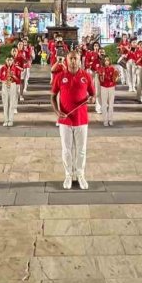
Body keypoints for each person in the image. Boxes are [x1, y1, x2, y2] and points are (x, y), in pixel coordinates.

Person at [50, 51, 95, 190]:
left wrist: (92, 99)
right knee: (66, 150)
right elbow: (53, 96)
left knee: (81, 150)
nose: (74, 61)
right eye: (71, 58)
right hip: (65, 120)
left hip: (81, 120)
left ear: (80, 60)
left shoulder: (86, 76)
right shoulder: (60, 76)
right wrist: (57, 111)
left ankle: (80, 174)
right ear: (67, 60)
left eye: (76, 58)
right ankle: (68, 175)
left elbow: (93, 95)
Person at [0, 55, 22, 127]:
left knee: (11, 104)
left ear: (13, 61)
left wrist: (13, 76)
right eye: (8, 60)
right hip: (4, 85)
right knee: (5, 104)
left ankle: (11, 120)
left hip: (12, 85)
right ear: (5, 61)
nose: (9, 61)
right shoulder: (2, 68)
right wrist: (2, 81)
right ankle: (5, 120)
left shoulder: (16, 68)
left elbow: (18, 80)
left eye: (10, 60)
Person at [97, 55, 118, 126]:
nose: (106, 62)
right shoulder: (101, 69)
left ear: (109, 61)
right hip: (104, 87)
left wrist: (116, 77)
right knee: (104, 104)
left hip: (111, 87)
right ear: (103, 61)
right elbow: (100, 80)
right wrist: (101, 75)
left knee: (111, 104)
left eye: (108, 60)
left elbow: (116, 78)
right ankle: (105, 120)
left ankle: (110, 119)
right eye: (105, 60)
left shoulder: (113, 68)